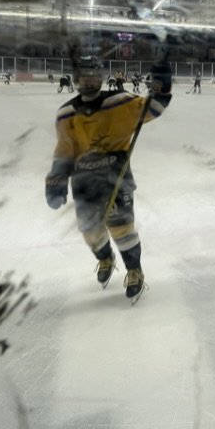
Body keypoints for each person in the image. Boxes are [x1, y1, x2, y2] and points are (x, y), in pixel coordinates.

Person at [45, 55, 173, 302]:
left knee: (122, 227)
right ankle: (105, 257)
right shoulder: (66, 114)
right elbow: (64, 150)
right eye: (84, 75)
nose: (89, 80)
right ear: (76, 79)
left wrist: (162, 85)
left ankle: (134, 270)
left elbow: (154, 107)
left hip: (116, 176)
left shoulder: (121, 102)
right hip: (83, 181)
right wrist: (56, 180)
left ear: (101, 77)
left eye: (93, 74)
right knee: (90, 231)